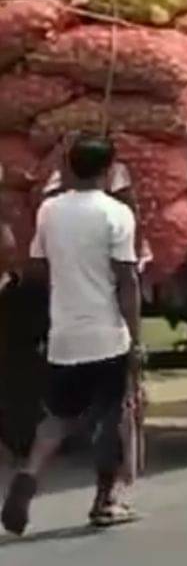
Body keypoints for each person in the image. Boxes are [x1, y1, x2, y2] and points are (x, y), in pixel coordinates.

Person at [1, 136, 144, 535]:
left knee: (58, 418)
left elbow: (38, 265)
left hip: (65, 334)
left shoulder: (49, 211)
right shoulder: (116, 214)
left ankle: (28, 475)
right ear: (109, 169)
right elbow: (126, 280)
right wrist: (137, 337)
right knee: (111, 419)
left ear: (68, 167)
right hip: (106, 335)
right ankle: (105, 502)